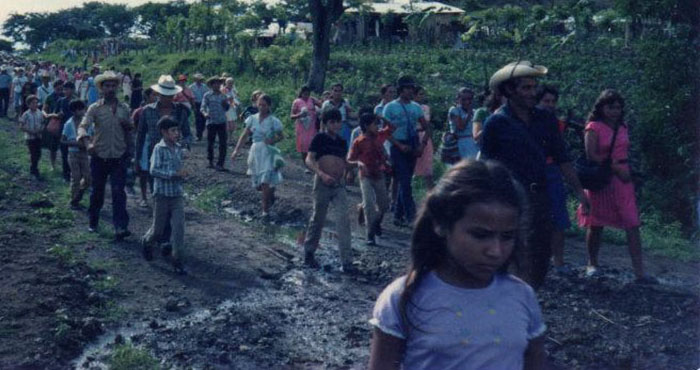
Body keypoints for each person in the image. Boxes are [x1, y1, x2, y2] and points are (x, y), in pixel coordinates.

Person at [368, 160, 546, 370]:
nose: (495, 251)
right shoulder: (404, 298)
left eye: (507, 237)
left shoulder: (522, 297)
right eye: (480, 235)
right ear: (441, 224)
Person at [481, 61, 589, 289]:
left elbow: (562, 158)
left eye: (533, 87)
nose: (533, 93)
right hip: (508, 198)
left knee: (540, 254)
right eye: (526, 88)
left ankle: (530, 296)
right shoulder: (496, 123)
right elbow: (486, 166)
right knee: (507, 252)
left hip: (540, 196)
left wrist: (579, 191)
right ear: (509, 91)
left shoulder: (546, 119)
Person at [577, 89, 657, 284]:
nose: (615, 111)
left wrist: (625, 170)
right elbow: (591, 155)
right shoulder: (593, 127)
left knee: (632, 222)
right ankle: (592, 263)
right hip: (603, 177)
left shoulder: (623, 126)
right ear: (601, 107)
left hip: (623, 179)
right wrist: (614, 167)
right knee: (596, 223)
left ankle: (640, 272)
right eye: (610, 107)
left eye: (618, 107)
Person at [78, 71, 134, 239]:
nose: (110, 89)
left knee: (118, 192)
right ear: (101, 89)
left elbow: (130, 130)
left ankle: (120, 227)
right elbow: (82, 127)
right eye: (107, 86)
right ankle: (93, 221)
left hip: (119, 156)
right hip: (99, 156)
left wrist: (130, 148)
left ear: (117, 87)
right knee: (97, 192)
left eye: (113, 85)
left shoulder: (125, 108)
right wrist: (88, 143)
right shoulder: (94, 108)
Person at [301, 108, 355, 273]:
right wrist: (321, 174)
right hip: (323, 182)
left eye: (338, 121)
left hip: (338, 185)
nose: (336, 124)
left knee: (343, 220)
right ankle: (309, 252)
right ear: (325, 123)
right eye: (332, 121)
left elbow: (345, 161)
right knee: (318, 218)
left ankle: (347, 262)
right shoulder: (319, 138)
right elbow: (309, 159)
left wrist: (352, 169)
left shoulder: (341, 141)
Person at [141, 116, 188, 275]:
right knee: (158, 230)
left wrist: (182, 175)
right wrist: (172, 175)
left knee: (179, 228)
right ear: (164, 132)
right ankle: (147, 242)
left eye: (177, 130)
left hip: (177, 195)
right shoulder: (158, 149)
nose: (176, 133)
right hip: (161, 195)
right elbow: (153, 170)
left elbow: (180, 169)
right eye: (173, 130)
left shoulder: (178, 148)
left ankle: (178, 261)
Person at [136, 75, 192, 208]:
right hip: (153, 153)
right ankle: (159, 213)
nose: (167, 98)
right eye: (164, 95)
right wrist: (137, 158)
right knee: (155, 186)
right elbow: (140, 136)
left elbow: (188, 133)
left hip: (174, 154)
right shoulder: (147, 111)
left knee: (174, 185)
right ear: (158, 94)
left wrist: (184, 147)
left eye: (170, 95)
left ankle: (173, 211)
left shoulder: (180, 111)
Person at [383, 75, 430, 226]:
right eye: (407, 89)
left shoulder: (416, 107)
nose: (410, 92)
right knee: (404, 181)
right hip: (398, 146)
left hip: (412, 143)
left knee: (407, 180)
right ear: (400, 90)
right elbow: (385, 132)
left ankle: (398, 215)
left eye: (412, 89)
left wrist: (422, 145)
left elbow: (427, 127)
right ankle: (412, 216)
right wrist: (398, 145)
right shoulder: (390, 107)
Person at [536, 85, 572, 273]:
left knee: (558, 216)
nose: (550, 105)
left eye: (553, 101)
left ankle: (558, 261)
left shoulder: (557, 123)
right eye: (546, 101)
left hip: (553, 169)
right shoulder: (527, 122)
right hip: (534, 170)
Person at [231, 94, 284, 218]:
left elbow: (281, 136)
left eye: (264, 105)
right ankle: (270, 193)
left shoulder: (273, 121)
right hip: (255, 151)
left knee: (265, 180)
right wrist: (236, 150)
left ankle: (265, 211)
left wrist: (273, 140)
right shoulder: (252, 119)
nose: (261, 107)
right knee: (258, 185)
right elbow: (244, 135)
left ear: (269, 106)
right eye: (259, 104)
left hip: (268, 151)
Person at [347, 111, 394, 246]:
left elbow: (392, 128)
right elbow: (349, 160)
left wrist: (381, 117)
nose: (377, 126)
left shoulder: (379, 136)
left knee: (384, 205)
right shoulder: (359, 141)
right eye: (374, 124)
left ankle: (373, 221)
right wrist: (357, 165)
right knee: (369, 205)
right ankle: (370, 234)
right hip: (365, 176)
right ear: (366, 126)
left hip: (379, 174)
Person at [61, 100, 91, 210]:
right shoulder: (68, 124)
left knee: (88, 178)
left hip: (84, 153)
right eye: (81, 109)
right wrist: (75, 143)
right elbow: (63, 140)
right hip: (73, 153)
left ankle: (78, 196)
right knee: (76, 177)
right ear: (75, 111)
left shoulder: (86, 123)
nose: (84, 111)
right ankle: (73, 201)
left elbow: (91, 135)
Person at [132, 87, 156, 207]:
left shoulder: (160, 110)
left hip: (155, 142)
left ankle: (155, 194)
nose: (155, 97)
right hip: (144, 141)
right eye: (153, 95)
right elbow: (135, 130)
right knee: (143, 171)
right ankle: (144, 196)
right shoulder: (139, 112)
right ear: (146, 97)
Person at [291, 85, 321, 172]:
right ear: (301, 93)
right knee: (303, 146)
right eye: (304, 94)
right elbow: (292, 116)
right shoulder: (297, 102)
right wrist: (300, 115)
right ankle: (306, 165)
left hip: (312, 126)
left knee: (312, 145)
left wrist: (317, 110)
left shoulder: (312, 100)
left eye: (308, 94)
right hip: (302, 127)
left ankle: (313, 163)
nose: (306, 96)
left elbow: (322, 105)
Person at [201, 76, 228, 170]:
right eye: (215, 83)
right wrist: (205, 113)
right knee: (210, 143)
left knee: (223, 143)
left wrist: (226, 104)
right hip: (211, 121)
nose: (217, 85)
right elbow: (203, 107)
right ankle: (210, 161)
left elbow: (227, 108)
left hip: (222, 121)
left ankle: (220, 163)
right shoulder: (207, 95)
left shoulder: (223, 96)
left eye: (218, 83)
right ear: (211, 85)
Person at [321, 83, 356, 149]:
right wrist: (322, 132)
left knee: (345, 147)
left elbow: (350, 115)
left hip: (343, 127)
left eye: (339, 91)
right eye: (335, 91)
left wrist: (355, 112)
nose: (337, 93)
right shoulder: (326, 104)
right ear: (331, 92)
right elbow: (323, 119)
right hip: (330, 127)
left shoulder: (345, 102)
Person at [19, 95, 45, 179]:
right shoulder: (26, 114)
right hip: (30, 138)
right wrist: (31, 131)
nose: (35, 105)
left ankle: (34, 166)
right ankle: (34, 169)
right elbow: (21, 126)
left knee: (38, 153)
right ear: (28, 104)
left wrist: (40, 130)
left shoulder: (39, 113)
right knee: (33, 153)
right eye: (33, 103)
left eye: (36, 103)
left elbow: (43, 123)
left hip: (38, 136)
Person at [448, 87, 478, 160]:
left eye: (469, 99)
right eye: (463, 99)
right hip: (461, 142)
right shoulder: (454, 110)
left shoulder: (475, 112)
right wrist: (469, 113)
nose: (467, 102)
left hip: (474, 142)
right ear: (458, 99)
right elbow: (461, 127)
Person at [413, 85, 434, 189]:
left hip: (424, 136)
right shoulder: (409, 107)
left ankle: (431, 194)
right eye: (420, 94)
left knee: (428, 169)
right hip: (413, 136)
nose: (422, 96)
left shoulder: (425, 108)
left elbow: (426, 123)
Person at [43, 80, 65, 173]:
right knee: (53, 147)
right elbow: (44, 110)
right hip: (53, 124)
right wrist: (49, 115)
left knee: (65, 146)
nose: (60, 90)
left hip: (64, 124)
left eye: (61, 88)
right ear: (54, 87)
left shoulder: (65, 96)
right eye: (58, 88)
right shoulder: (50, 97)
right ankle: (53, 165)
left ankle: (66, 167)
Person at [188, 73, 209, 141]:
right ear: (195, 80)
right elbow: (191, 97)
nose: (199, 80)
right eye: (198, 79)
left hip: (203, 103)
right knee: (198, 120)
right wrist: (192, 106)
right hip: (196, 104)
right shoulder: (191, 87)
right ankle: (198, 135)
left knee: (203, 119)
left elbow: (207, 95)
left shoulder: (205, 86)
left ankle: (201, 132)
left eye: (200, 79)